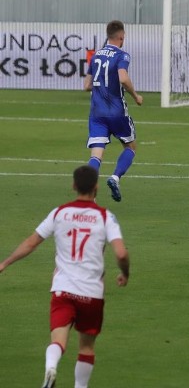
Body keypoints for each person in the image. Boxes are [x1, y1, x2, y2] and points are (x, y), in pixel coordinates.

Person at [0, 165, 130, 388]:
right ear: (96, 187)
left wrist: (5, 262)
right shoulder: (105, 216)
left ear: (73, 186)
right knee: (86, 347)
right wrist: (124, 273)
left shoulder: (59, 213)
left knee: (58, 341)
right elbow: (120, 253)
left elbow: (32, 242)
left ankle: (51, 367)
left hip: (62, 289)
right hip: (91, 292)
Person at [84, 20, 143, 202]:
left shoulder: (95, 56)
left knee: (96, 155)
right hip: (116, 111)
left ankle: (89, 196)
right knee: (130, 147)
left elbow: (86, 85)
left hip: (97, 112)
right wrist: (135, 95)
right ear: (121, 37)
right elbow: (123, 78)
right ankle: (115, 177)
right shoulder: (122, 56)